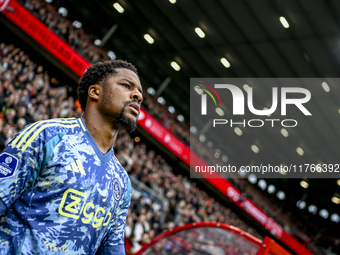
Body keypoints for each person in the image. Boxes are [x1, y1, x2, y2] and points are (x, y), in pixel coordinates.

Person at [0, 60, 143, 254]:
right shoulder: (47, 137)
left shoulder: (122, 182)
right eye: (127, 86)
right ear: (95, 92)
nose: (138, 96)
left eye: (140, 93)